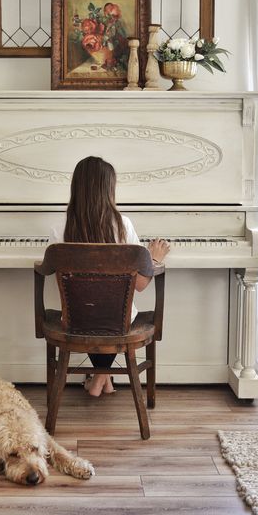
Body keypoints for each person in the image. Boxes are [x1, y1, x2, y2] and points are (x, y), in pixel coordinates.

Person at [48, 156, 170, 397]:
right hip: (117, 320)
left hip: (75, 316)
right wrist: (154, 259)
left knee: (95, 308)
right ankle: (101, 378)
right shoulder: (122, 225)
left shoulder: (58, 228)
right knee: (113, 313)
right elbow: (141, 286)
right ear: (109, 189)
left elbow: (60, 282)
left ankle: (100, 378)